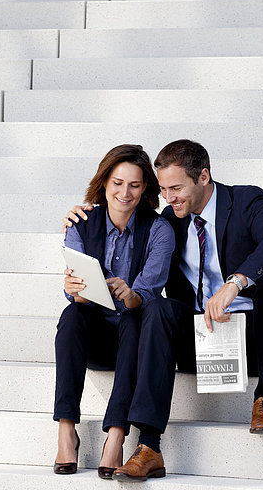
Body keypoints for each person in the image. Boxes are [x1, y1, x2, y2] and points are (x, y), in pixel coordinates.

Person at [64, 139, 263, 471]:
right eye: (163, 189)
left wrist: (236, 282)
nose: (168, 198)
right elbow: (130, 247)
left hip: (257, 336)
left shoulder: (246, 201)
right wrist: (86, 215)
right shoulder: (169, 222)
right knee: (157, 308)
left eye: (176, 188)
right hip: (202, 337)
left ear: (203, 177)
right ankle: (149, 446)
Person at [54, 144, 175, 481]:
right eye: (118, 183)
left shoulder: (158, 230)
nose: (125, 193)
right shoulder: (80, 222)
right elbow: (76, 296)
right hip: (93, 337)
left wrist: (131, 295)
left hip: (133, 341)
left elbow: (147, 296)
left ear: (146, 189)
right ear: (104, 182)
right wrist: (77, 290)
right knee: (71, 317)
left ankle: (117, 435)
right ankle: (66, 430)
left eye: (135, 185)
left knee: (135, 318)